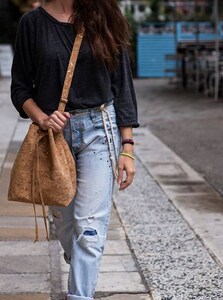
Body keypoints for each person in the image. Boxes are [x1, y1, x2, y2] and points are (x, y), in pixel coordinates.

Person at [10, 0, 139, 299]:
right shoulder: (32, 24)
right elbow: (19, 88)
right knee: (67, 226)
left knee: (89, 229)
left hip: (100, 131)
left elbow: (122, 84)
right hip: (55, 138)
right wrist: (42, 117)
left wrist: (128, 147)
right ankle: (78, 257)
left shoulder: (105, 14)